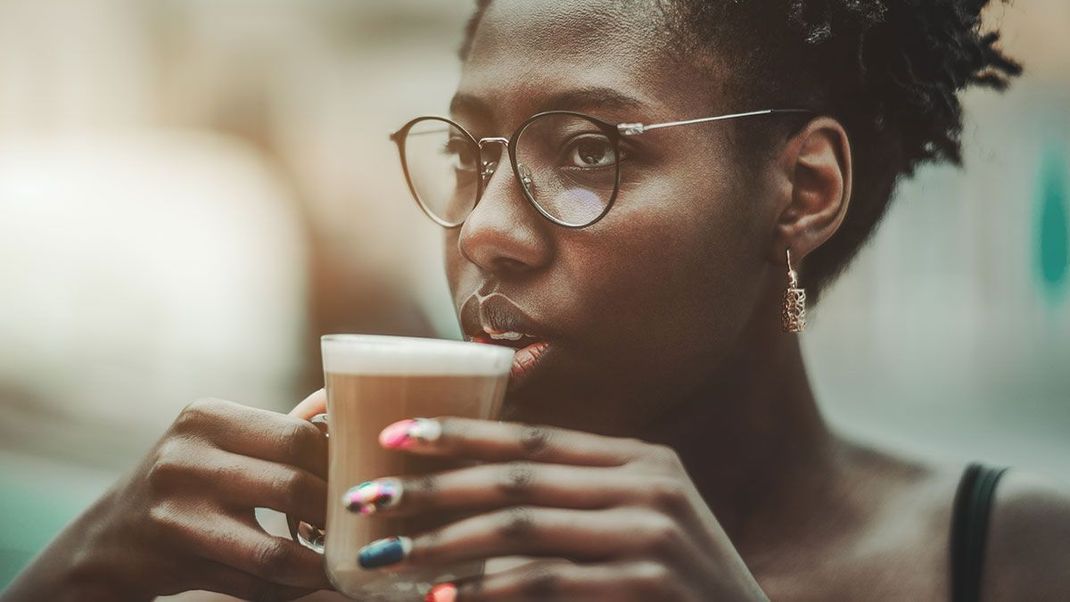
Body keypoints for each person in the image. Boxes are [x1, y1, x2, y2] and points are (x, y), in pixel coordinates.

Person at [5, 1, 1069, 600]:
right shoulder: (364, 563)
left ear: (802, 192)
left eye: (586, 152)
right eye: (469, 155)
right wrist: (72, 577)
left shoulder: (1016, 556)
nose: (479, 232)